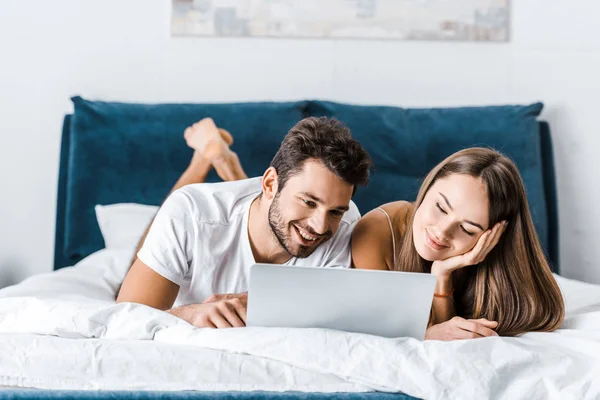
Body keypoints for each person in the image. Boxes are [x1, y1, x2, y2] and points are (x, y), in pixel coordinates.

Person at [116, 117, 373, 329]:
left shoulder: (348, 222)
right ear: (270, 183)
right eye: (308, 202)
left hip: (260, 202)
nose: (320, 227)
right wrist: (193, 315)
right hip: (208, 207)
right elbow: (125, 318)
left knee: (272, 213)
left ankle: (223, 160)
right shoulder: (192, 211)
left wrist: (264, 303)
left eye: (335, 212)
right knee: (150, 244)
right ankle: (206, 160)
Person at [351, 147, 565, 340]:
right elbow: (378, 328)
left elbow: (544, 312)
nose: (442, 231)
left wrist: (442, 275)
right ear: (427, 189)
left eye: (467, 229)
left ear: (493, 237)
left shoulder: (488, 257)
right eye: (441, 207)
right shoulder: (376, 230)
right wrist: (428, 334)